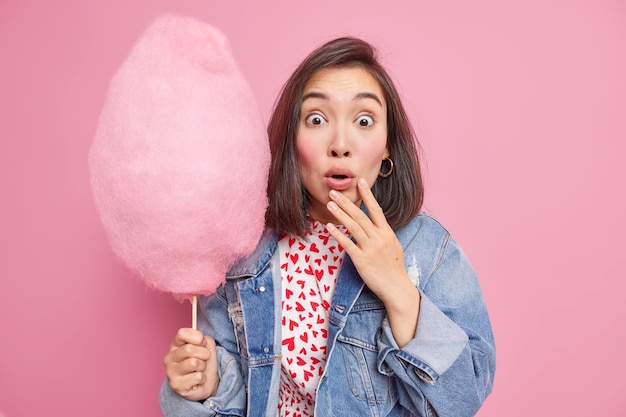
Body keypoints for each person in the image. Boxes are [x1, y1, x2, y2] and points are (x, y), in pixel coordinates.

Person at [160, 36, 495, 417]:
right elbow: (241, 398)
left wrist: (400, 291)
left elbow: (465, 396)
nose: (339, 144)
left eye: (364, 120)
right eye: (316, 119)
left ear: (387, 147)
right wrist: (208, 385)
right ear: (291, 141)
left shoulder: (427, 249)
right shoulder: (242, 250)